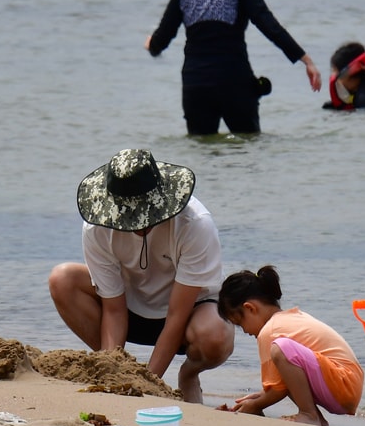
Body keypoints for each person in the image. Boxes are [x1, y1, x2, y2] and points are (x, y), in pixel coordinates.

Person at [48, 149, 234, 403]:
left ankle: (189, 375)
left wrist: (146, 384)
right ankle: (119, 368)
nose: (138, 224)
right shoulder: (97, 227)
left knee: (215, 336)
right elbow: (113, 310)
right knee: (62, 279)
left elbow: (176, 315)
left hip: (189, 313)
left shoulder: (194, 223)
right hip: (128, 309)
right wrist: (113, 373)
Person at [145, 0, 322, 135]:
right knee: (246, 149)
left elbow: (161, 40)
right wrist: (306, 60)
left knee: (201, 153)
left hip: (196, 85)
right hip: (235, 83)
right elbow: (270, 27)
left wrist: (151, 44)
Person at [215, 265, 363, 426]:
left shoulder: (270, 331)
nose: (244, 331)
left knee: (281, 349)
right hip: (348, 385)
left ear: (250, 308)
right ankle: (316, 418)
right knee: (286, 359)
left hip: (343, 383)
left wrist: (255, 405)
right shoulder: (287, 319)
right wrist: (260, 397)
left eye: (240, 323)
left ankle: (308, 414)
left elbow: (277, 390)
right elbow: (282, 383)